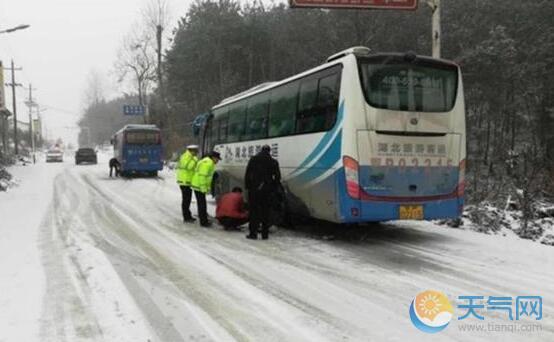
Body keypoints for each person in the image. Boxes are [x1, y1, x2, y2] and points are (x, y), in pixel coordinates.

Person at [244, 145, 281, 240]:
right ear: (269, 151)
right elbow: (277, 177)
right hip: (267, 191)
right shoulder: (273, 162)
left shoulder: (254, 159)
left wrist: (248, 187)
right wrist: (273, 188)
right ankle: (265, 234)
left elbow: (248, 174)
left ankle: (253, 233)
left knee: (254, 212)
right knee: (266, 212)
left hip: (254, 189)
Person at [190, 151, 221, 227]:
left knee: (201, 204)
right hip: (199, 186)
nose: (217, 161)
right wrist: (203, 188)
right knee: (202, 204)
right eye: (217, 159)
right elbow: (202, 176)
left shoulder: (207, 161)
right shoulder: (208, 163)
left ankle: (203, 220)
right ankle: (203, 222)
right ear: (213, 158)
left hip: (198, 185)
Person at [176, 145, 199, 222]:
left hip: (187, 181)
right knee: (186, 200)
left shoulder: (187, 156)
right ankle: (186, 217)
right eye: (196, 151)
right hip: (185, 182)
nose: (196, 153)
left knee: (187, 200)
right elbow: (188, 167)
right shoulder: (186, 156)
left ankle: (188, 216)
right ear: (192, 151)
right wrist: (195, 160)